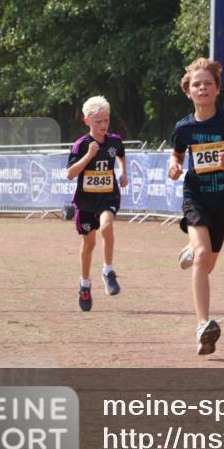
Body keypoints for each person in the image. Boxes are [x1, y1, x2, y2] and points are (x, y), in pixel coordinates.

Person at [169, 58, 224, 355]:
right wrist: (174, 165)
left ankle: (192, 251)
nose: (202, 88)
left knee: (207, 264)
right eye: (197, 84)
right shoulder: (184, 127)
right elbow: (178, 155)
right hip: (196, 196)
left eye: (208, 83)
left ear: (217, 89)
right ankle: (202, 326)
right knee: (203, 255)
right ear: (188, 91)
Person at [66, 96, 127, 311]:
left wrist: (124, 173)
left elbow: (121, 154)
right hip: (86, 201)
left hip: (108, 195)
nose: (103, 125)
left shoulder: (114, 141)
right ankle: (84, 284)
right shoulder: (81, 145)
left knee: (108, 226)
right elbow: (70, 174)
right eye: (98, 121)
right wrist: (89, 156)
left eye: (106, 121)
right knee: (88, 245)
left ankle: (108, 271)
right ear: (87, 121)